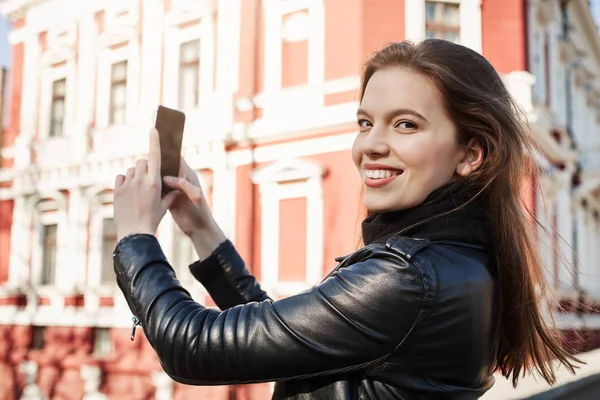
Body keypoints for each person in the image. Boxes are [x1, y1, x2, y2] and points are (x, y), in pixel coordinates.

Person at [112, 39, 580, 399]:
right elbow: (289, 343)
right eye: (365, 122)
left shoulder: (408, 276)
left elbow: (192, 347)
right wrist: (201, 228)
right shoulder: (455, 260)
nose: (370, 145)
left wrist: (135, 236)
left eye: (406, 124)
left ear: (471, 153)